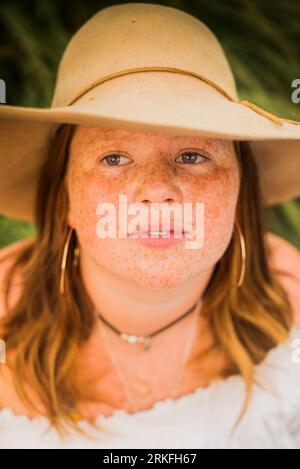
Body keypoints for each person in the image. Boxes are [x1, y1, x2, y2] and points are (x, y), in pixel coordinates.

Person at [0, 3, 299, 449]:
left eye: (193, 156)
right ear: (64, 198)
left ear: (240, 191)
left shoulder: (291, 298)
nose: (157, 190)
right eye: (113, 158)